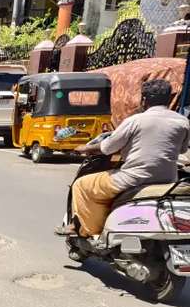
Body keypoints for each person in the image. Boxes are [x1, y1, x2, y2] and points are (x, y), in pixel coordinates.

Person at [56, 79, 190, 238]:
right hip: (168, 179)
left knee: (82, 185)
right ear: (168, 99)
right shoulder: (182, 121)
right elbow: (182, 149)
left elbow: (107, 147)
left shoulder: (136, 120)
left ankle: (87, 231)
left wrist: (85, 148)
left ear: (144, 99)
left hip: (133, 178)